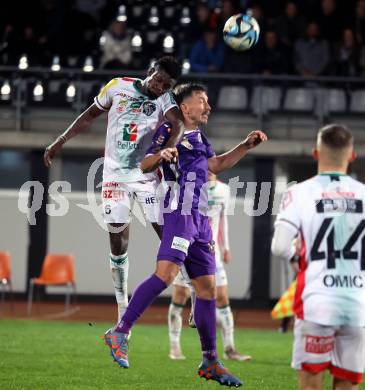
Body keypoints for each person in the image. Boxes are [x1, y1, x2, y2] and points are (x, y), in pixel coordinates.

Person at [104, 83, 267, 387]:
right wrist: (162, 155)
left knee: (206, 290)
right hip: (179, 211)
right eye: (202, 101)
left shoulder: (200, 138)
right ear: (185, 107)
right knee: (165, 275)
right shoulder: (169, 129)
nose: (208, 107)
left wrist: (245, 146)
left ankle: (210, 361)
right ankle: (120, 331)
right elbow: (144, 163)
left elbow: (215, 164)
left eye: (208, 101)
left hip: (200, 217)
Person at [44, 56, 185, 323]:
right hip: (114, 177)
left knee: (168, 233)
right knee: (118, 241)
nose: (160, 86)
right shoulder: (118, 85)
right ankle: (122, 306)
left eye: (166, 85)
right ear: (150, 70)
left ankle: (191, 288)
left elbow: (177, 123)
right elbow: (89, 115)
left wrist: (168, 147)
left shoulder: (165, 99)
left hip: (145, 174)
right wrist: (60, 140)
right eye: (158, 80)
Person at [271, 124, 365, 390]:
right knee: (347, 384)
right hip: (357, 304)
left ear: (315, 153)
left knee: (311, 382)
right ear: (352, 156)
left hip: (317, 302)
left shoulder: (299, 193)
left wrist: (297, 256)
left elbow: (279, 247)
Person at [168, 171, 252, 362]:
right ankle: (175, 347)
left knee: (222, 296)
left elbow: (224, 220)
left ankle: (230, 348)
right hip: (190, 249)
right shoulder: (192, 187)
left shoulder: (224, 190)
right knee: (180, 295)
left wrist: (226, 247)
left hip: (212, 251)